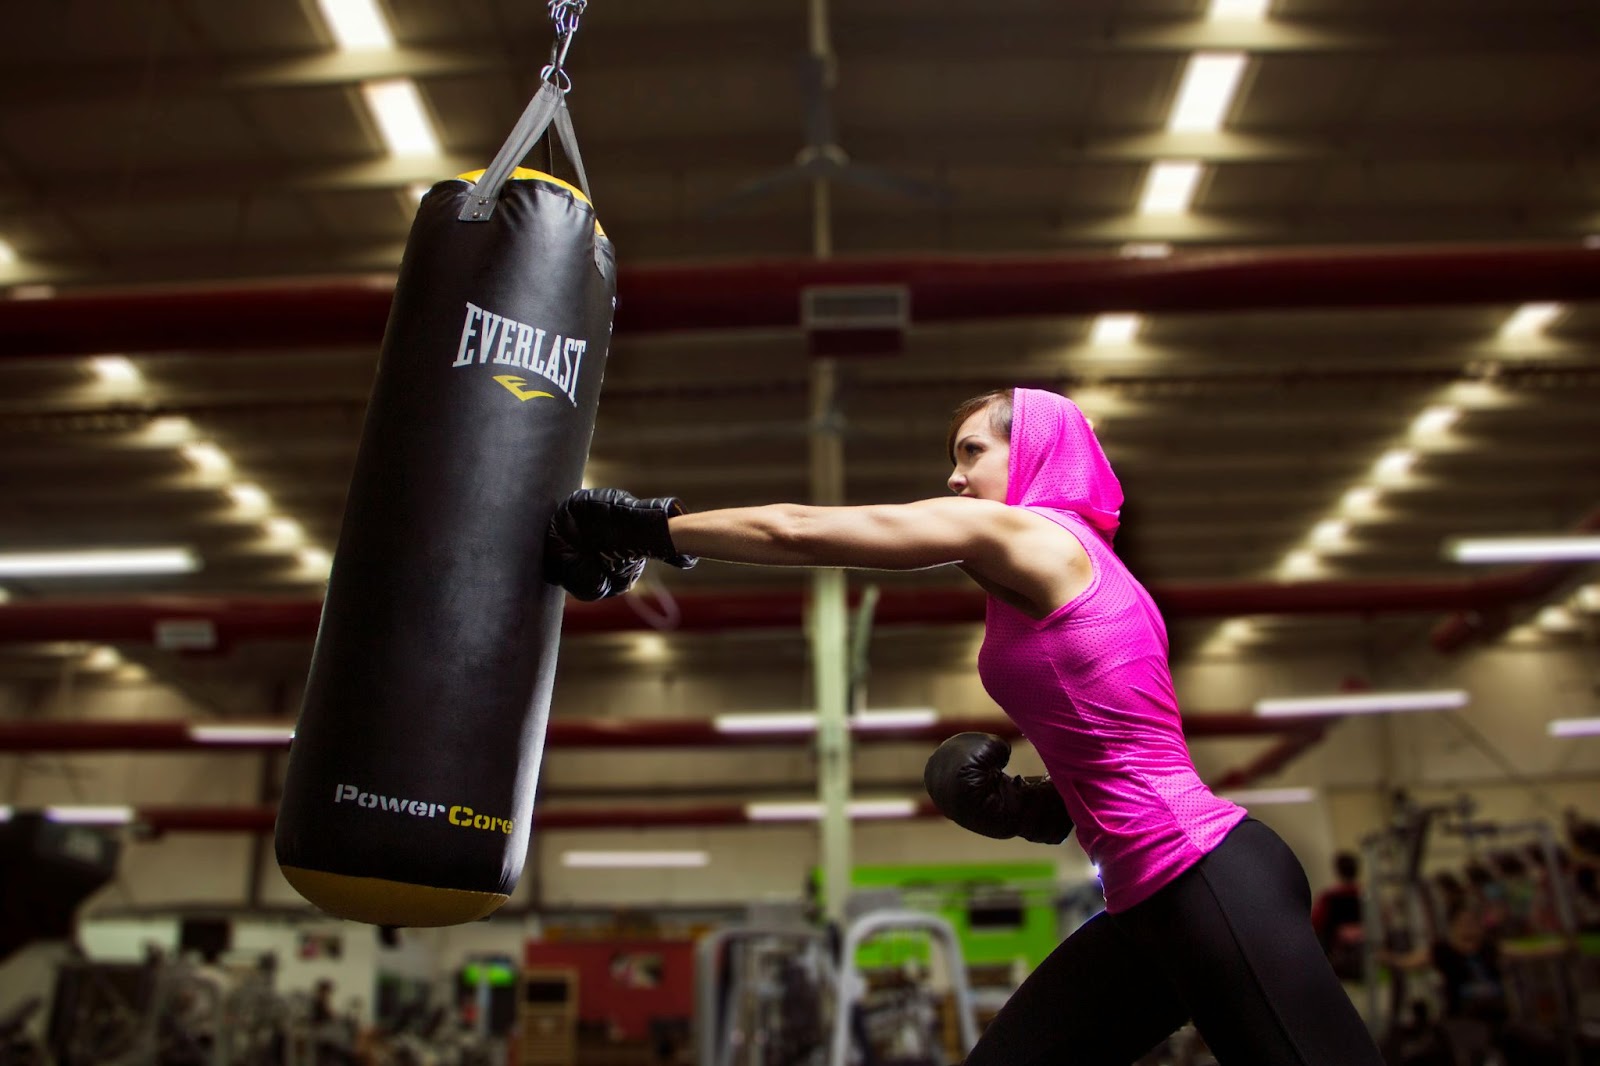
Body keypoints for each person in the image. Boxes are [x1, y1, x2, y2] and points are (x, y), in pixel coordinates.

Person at [545, 387, 1385, 1065]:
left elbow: (799, 532)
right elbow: (1121, 750)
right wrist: (1030, 807)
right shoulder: (1087, 566)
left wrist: (646, 529)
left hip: (1199, 876)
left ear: (1038, 454)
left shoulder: (1027, 534)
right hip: (1153, 898)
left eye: (972, 453)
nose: (955, 478)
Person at [1311, 851, 1366, 981]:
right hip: (1364, 948)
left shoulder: (1329, 896)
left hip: (1335, 950)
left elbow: (1315, 922)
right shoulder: (1366, 895)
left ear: (1338, 871)